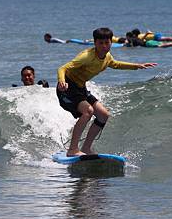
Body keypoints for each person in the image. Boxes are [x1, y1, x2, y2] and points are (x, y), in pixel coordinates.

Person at [56, 27, 156, 156]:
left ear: (111, 42)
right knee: (88, 111)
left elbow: (115, 64)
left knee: (103, 115)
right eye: (100, 43)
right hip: (68, 88)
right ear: (95, 43)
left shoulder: (107, 56)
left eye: (107, 43)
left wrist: (136, 66)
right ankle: (72, 149)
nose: (104, 46)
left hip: (80, 88)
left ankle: (86, 148)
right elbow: (62, 68)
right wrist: (62, 81)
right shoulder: (86, 57)